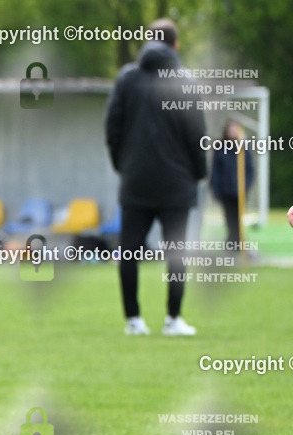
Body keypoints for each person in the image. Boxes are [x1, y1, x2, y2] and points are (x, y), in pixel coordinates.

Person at [105, 17, 206, 336]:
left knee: (129, 252)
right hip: (177, 185)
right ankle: (173, 319)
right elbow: (196, 135)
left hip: (136, 182)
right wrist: (198, 173)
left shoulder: (127, 79)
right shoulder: (185, 81)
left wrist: (123, 166)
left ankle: (133, 320)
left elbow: (112, 128)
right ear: (175, 45)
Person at [210, 120, 255, 250]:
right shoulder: (220, 148)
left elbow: (250, 170)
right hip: (226, 191)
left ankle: (237, 242)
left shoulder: (243, 148)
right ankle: (233, 242)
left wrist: (245, 186)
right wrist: (216, 189)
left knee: (238, 218)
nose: (233, 132)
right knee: (230, 219)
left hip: (240, 191)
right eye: (230, 130)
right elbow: (215, 171)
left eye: (235, 130)